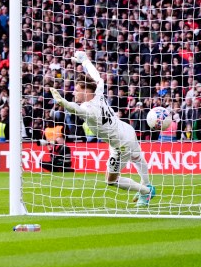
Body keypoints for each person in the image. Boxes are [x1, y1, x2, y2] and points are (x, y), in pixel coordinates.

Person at [51, 50, 155, 206]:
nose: (74, 92)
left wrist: (63, 102)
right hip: (126, 130)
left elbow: (75, 109)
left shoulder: (89, 109)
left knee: (111, 180)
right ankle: (147, 185)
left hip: (120, 144)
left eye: (77, 90)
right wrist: (85, 60)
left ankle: (145, 192)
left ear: (86, 91)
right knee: (137, 158)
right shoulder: (98, 91)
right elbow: (96, 76)